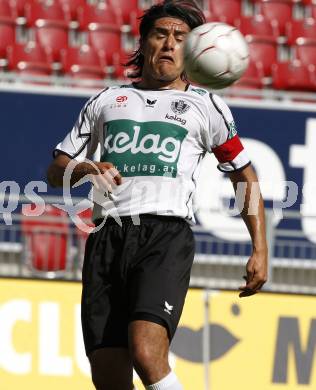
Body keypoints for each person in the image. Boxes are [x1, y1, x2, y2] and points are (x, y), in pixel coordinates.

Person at [47, 1, 268, 389]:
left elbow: (244, 176)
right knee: (108, 377)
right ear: (145, 42)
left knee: (147, 354)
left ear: (192, 50)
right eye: (160, 34)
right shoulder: (105, 101)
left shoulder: (207, 107)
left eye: (180, 37)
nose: (168, 44)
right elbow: (55, 171)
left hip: (163, 237)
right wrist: (87, 168)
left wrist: (260, 248)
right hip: (106, 238)